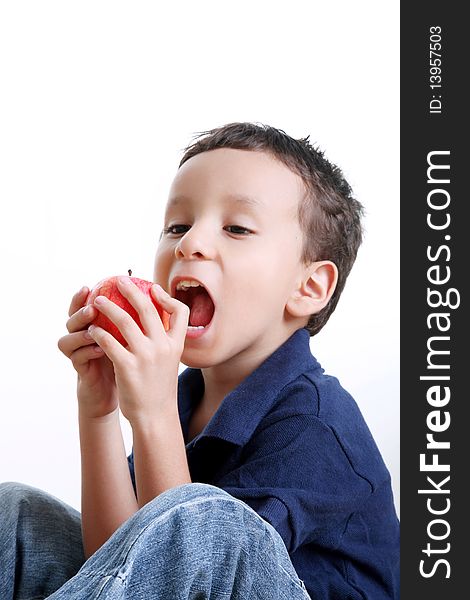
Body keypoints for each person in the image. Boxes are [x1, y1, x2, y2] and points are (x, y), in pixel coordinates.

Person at [0, 122, 399, 599]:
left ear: (307, 287)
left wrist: (153, 414)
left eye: (236, 228)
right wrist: (100, 409)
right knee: (17, 512)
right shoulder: (185, 400)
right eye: (177, 226)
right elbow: (123, 564)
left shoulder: (316, 426)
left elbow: (189, 550)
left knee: (204, 516)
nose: (189, 244)